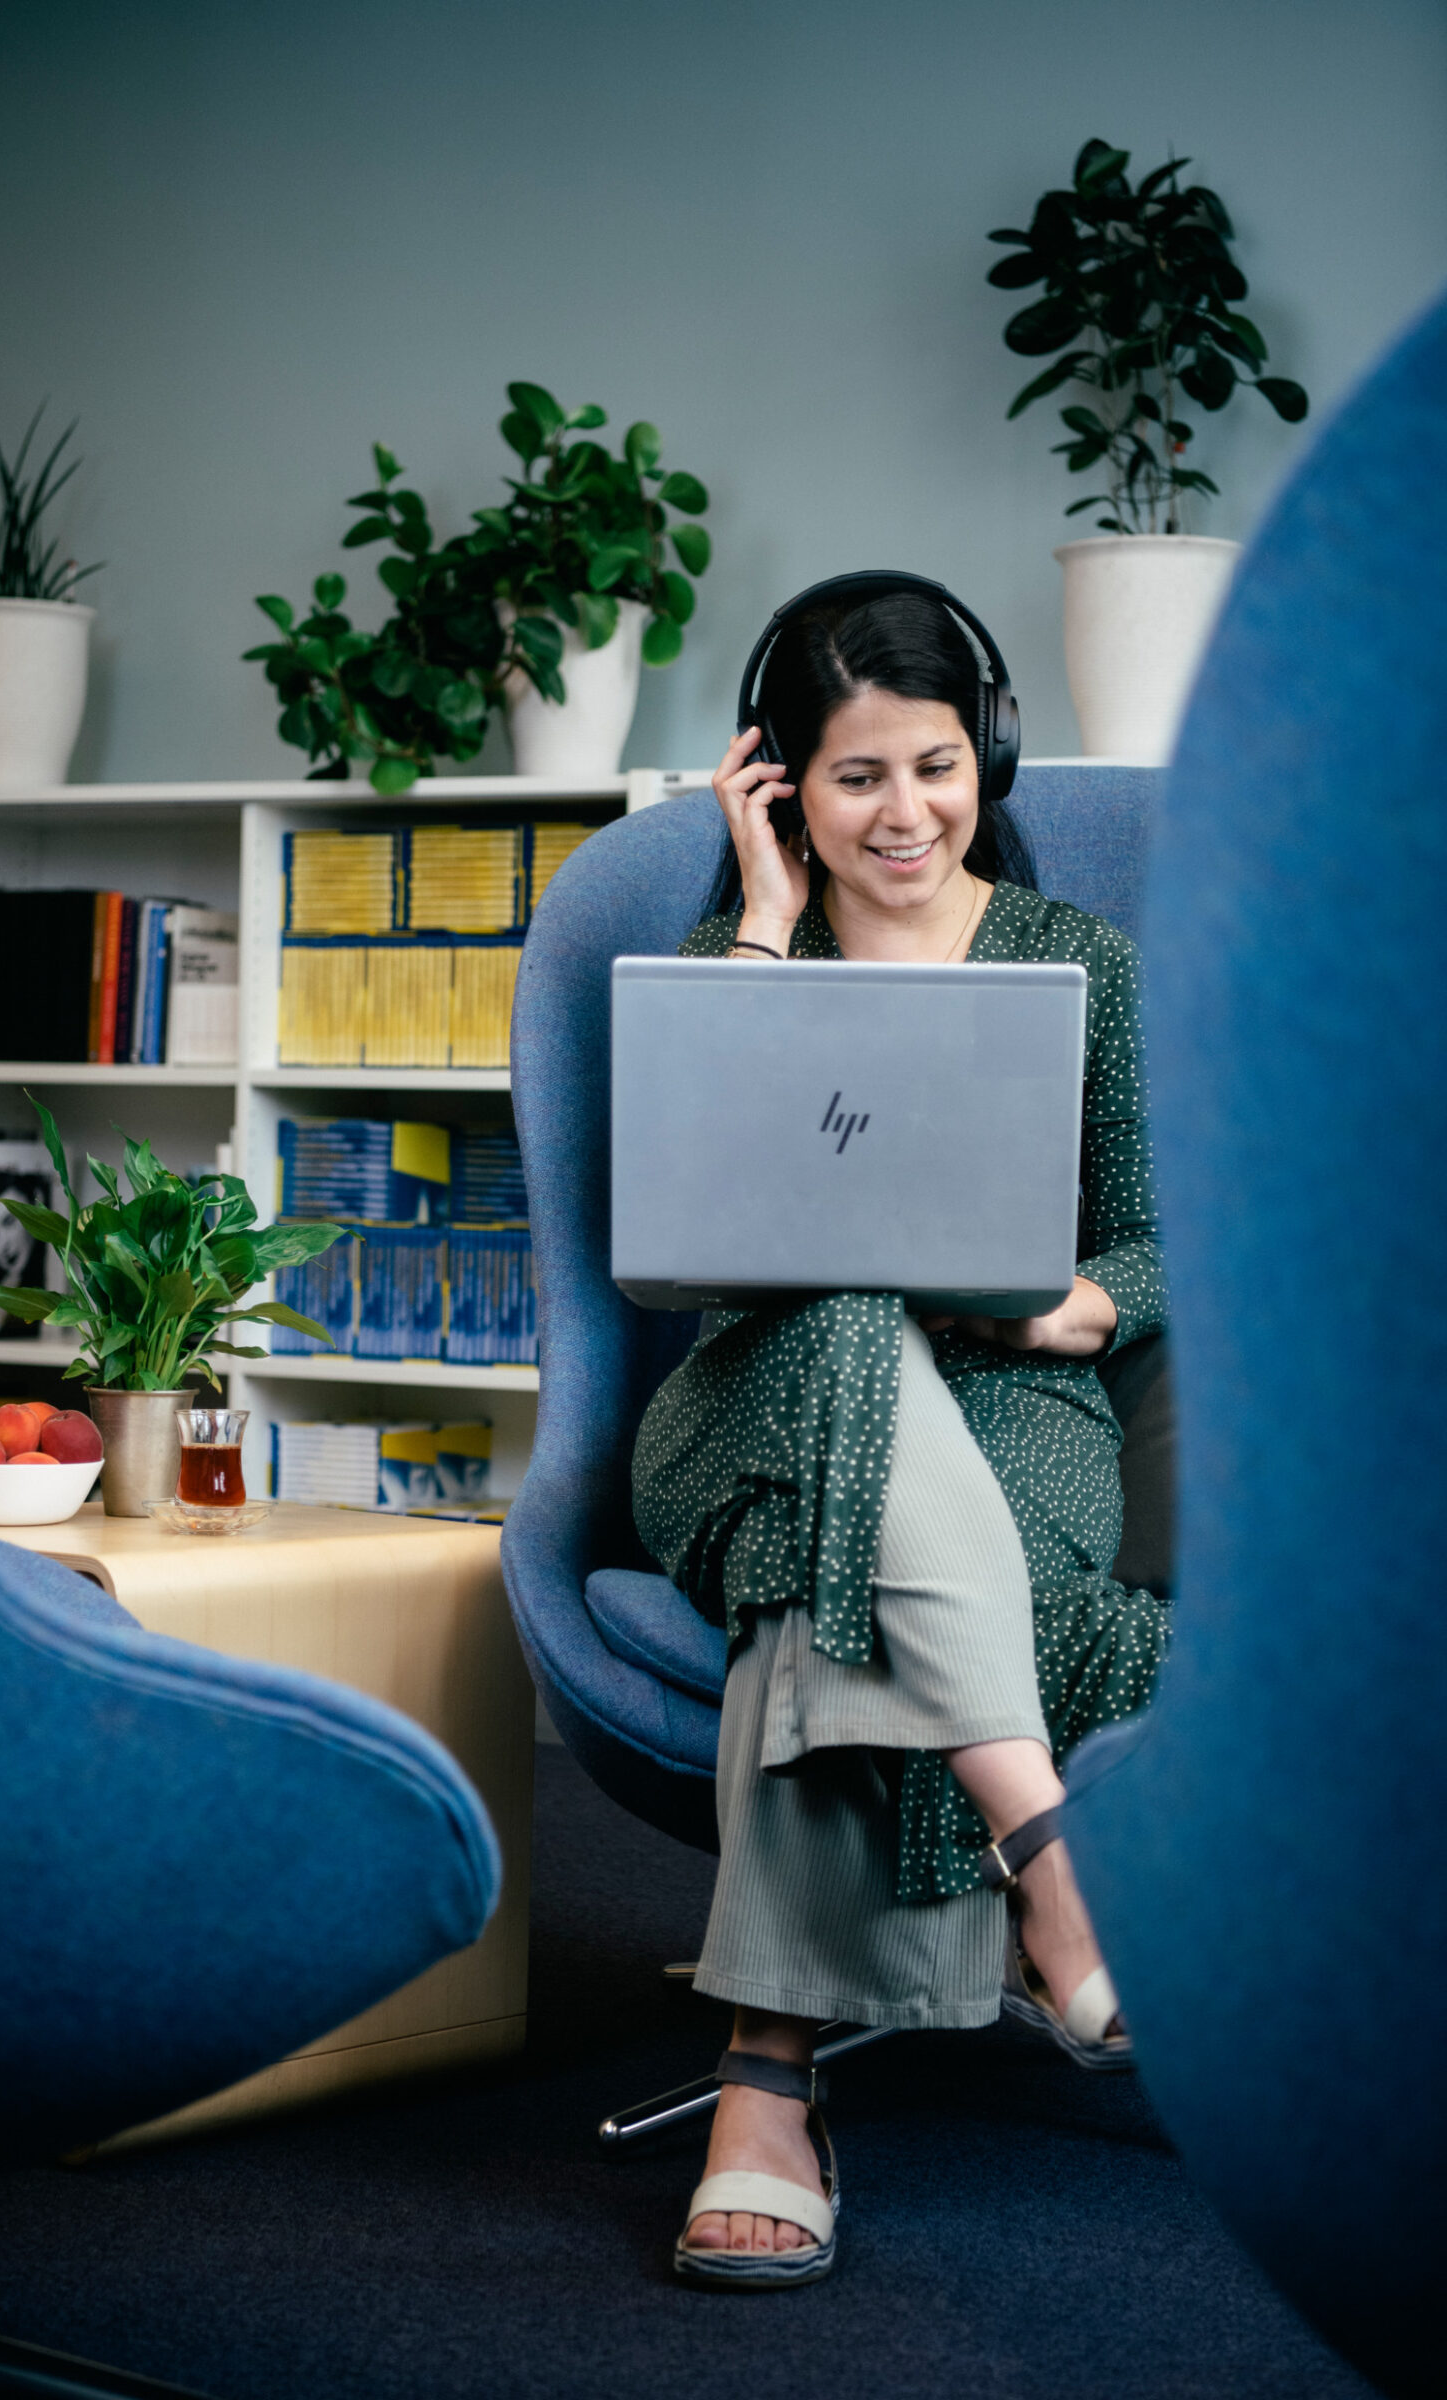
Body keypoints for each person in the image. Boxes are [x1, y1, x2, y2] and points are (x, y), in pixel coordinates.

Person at [631, 583, 1169, 2288]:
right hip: (751, 1406)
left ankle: (764, 2090)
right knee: (842, 1309)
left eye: (936, 767)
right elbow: (691, 1244)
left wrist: (1061, 1308)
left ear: (985, 753)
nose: (908, 813)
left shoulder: (1078, 958)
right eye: (856, 777)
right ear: (786, 783)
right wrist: (768, 923)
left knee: (826, 1591)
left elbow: (1156, 1243)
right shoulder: (737, 946)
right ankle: (1043, 1844)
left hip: (1016, 1411)